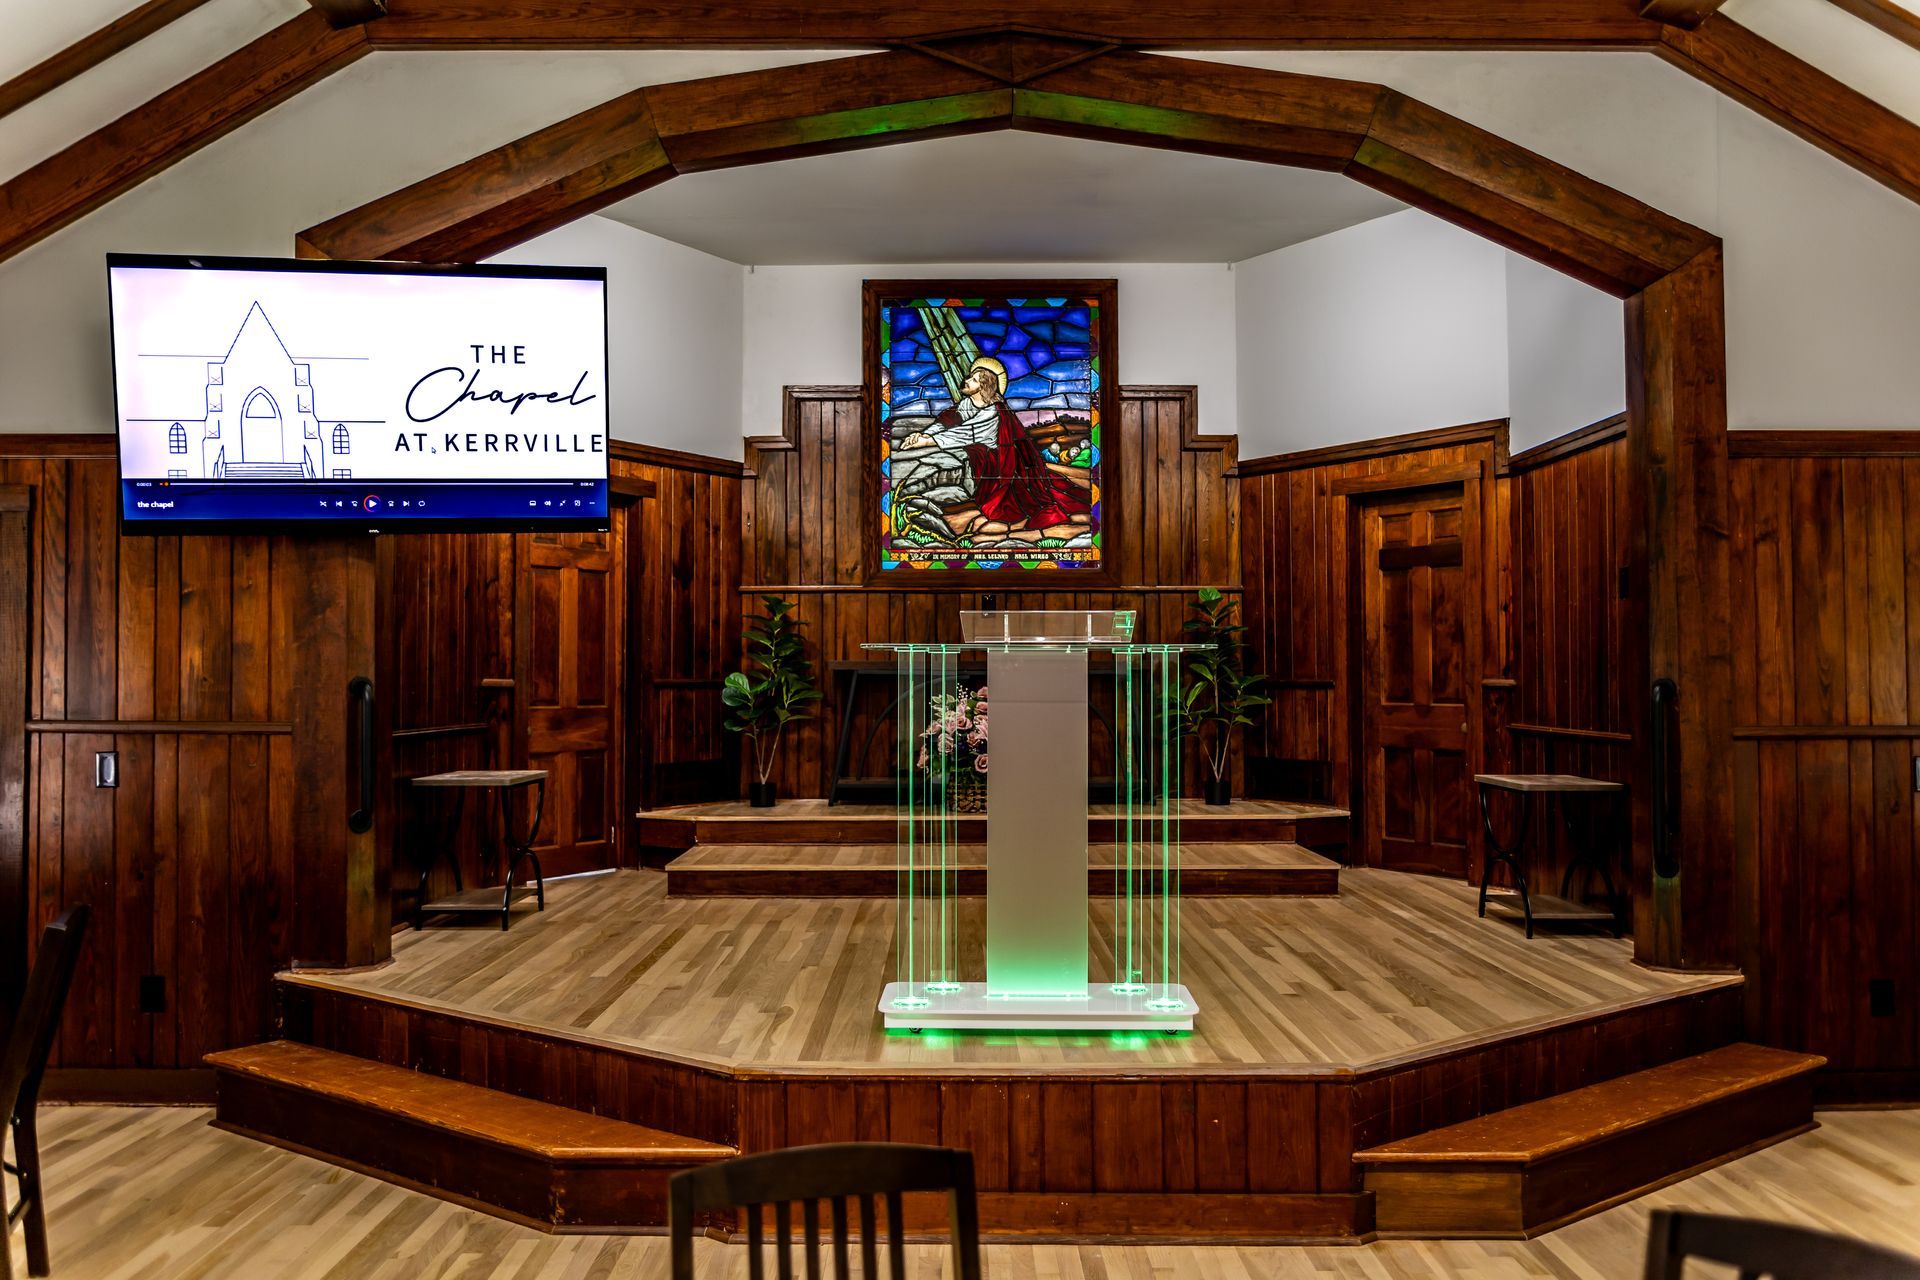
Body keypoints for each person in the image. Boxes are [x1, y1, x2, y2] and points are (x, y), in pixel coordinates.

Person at [900, 356, 1090, 535]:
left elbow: (965, 433)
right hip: (988, 462)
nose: (967, 381)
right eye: (970, 377)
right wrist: (924, 433)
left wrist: (926, 442)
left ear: (984, 386)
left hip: (1004, 468)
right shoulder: (968, 403)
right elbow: (950, 420)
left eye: (973, 380)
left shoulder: (993, 413)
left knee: (1013, 505)